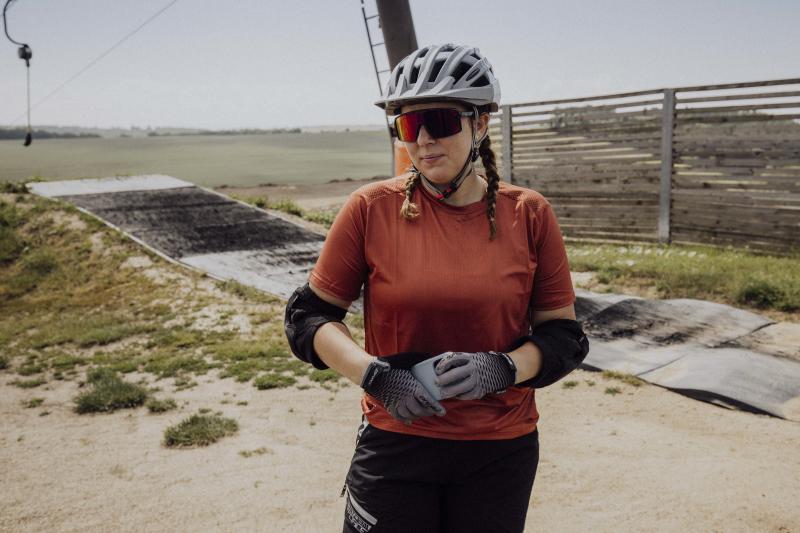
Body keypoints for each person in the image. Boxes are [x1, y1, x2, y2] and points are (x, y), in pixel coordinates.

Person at [284, 43, 590, 533]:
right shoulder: (369, 209)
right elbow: (308, 318)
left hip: (499, 451)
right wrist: (373, 375)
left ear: (480, 124)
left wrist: (504, 369)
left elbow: (564, 336)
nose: (424, 140)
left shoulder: (529, 214)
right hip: (396, 443)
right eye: (408, 125)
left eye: (440, 121)